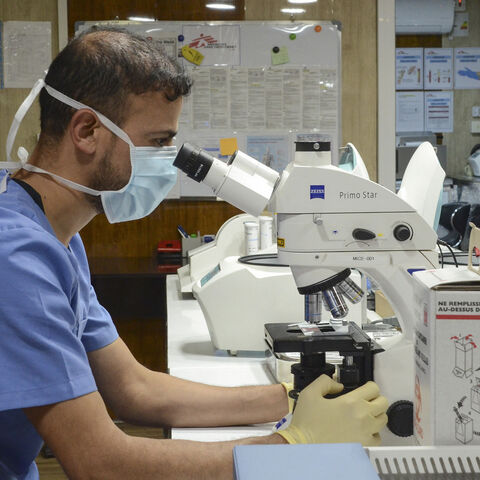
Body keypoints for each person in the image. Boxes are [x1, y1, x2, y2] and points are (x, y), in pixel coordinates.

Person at [0, 27, 388, 479]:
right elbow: (100, 463)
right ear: (86, 130)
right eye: (159, 142)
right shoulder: (16, 258)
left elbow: (133, 389)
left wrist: (290, 397)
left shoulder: (54, 238)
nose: (169, 160)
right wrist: (293, 444)